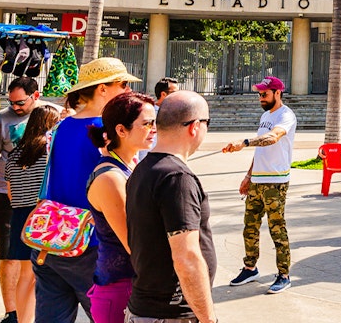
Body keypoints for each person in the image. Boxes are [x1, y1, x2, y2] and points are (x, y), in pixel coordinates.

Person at [36, 57, 139, 323]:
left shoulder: (62, 126)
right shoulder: (108, 131)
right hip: (92, 241)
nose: (128, 90)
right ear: (102, 88)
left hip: (52, 237)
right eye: (123, 84)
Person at [125, 92, 216, 323]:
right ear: (194, 127)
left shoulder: (144, 169)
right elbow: (187, 257)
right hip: (170, 314)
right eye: (207, 123)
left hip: (146, 308)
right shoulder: (177, 178)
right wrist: (208, 319)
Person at [0, 77, 60, 323]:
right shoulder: (1, 120)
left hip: (41, 200)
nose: (15, 107)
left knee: (38, 263)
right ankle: (12, 312)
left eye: (20, 102)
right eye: (11, 102)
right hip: (11, 198)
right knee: (10, 256)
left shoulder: (54, 116)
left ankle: (29, 311)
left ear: (35, 95)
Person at [84, 93, 157, 323]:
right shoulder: (111, 178)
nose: (154, 129)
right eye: (147, 124)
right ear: (121, 130)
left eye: (155, 122)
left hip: (132, 284)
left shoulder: (129, 164)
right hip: (120, 290)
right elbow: (133, 243)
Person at [220, 76, 296, 294]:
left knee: (277, 229)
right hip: (257, 180)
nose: (261, 98)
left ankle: (284, 275)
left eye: (265, 94)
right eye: (259, 94)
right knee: (249, 227)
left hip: (275, 182)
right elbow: (261, 148)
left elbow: (272, 138)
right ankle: (250, 268)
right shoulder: (265, 115)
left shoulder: (286, 115)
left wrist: (243, 143)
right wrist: (248, 176)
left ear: (277, 93)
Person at [4, 106, 60, 323]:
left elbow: (10, 192)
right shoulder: (49, 151)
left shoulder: (15, 154)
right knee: (49, 276)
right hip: (44, 216)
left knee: (26, 276)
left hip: (19, 216)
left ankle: (21, 319)